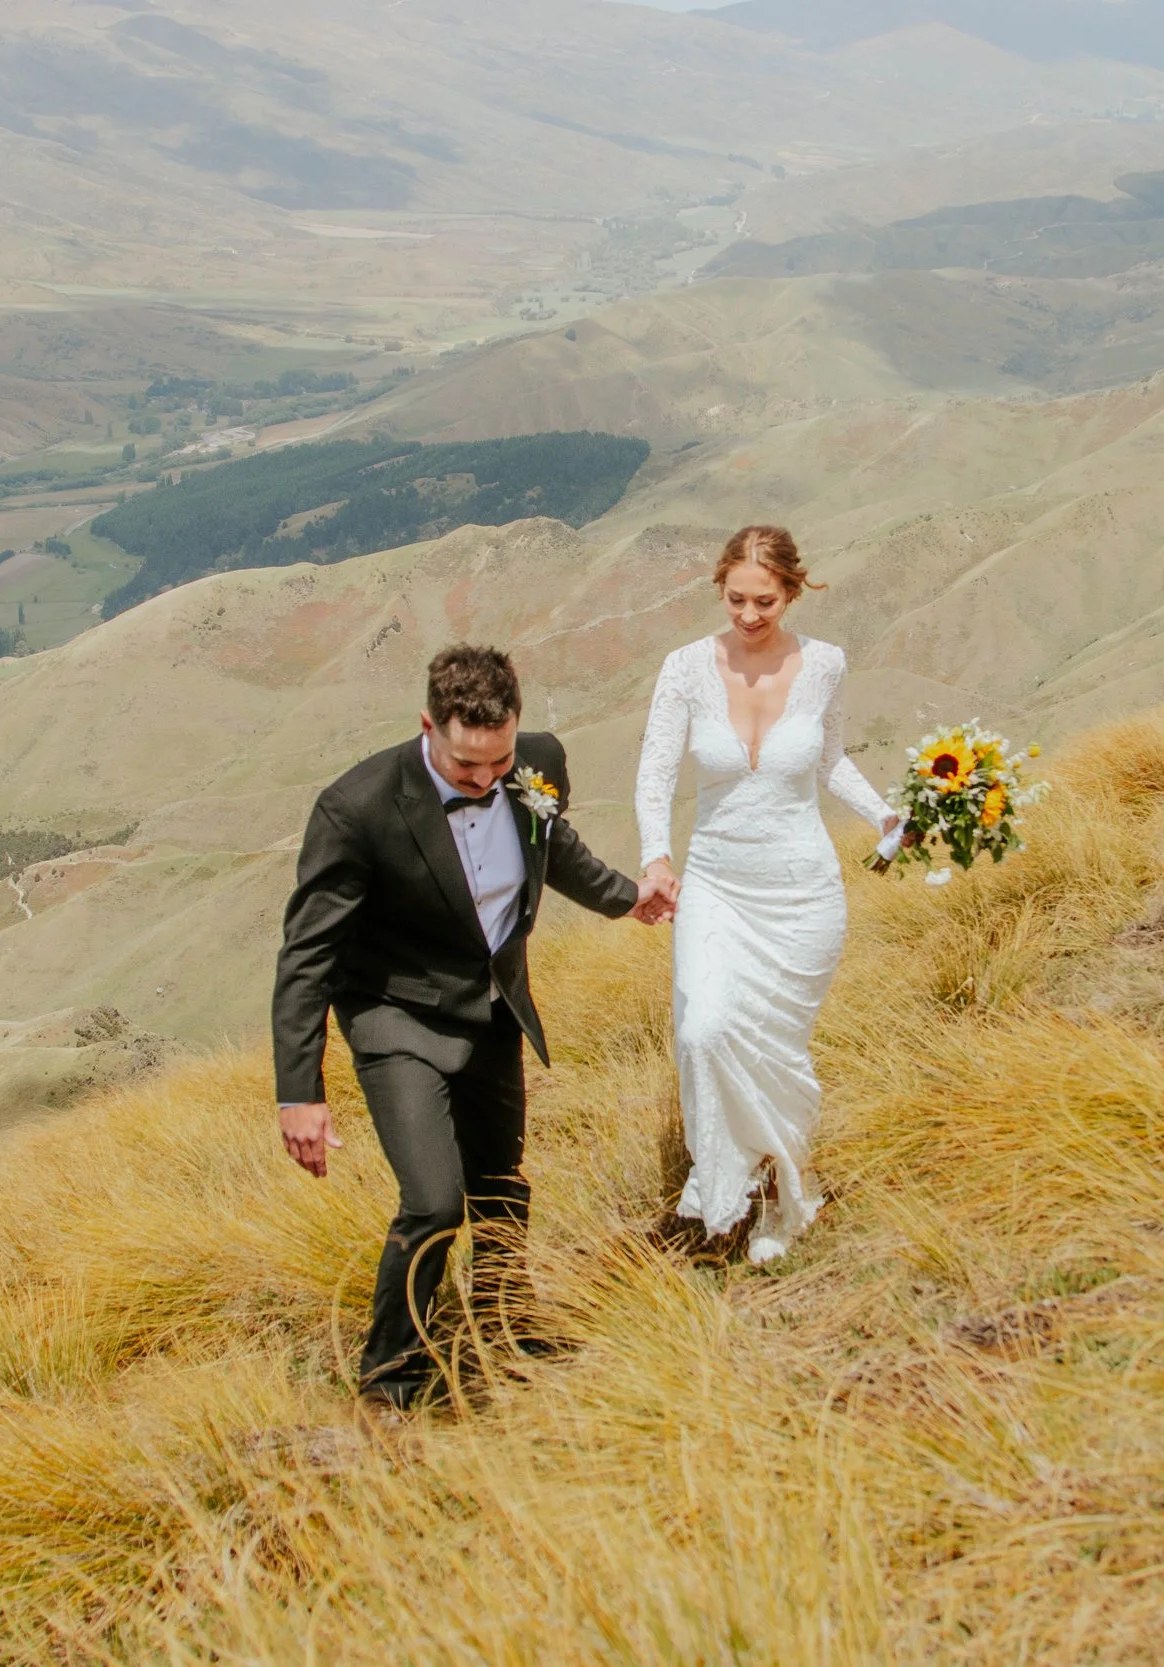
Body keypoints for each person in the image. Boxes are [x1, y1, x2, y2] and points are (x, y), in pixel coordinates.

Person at [274, 644, 678, 1411]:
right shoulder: (354, 807)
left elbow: (553, 848)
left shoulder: (538, 761)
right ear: (429, 724)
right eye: (467, 766)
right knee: (433, 1201)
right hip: (396, 1015)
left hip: (494, 1006)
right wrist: (299, 1089)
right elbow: (307, 955)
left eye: (499, 763)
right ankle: (390, 1378)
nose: (487, 778)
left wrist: (628, 897)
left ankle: (504, 1320)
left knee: (500, 1184)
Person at [635, 527, 899, 1264]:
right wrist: (655, 854)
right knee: (704, 1029)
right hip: (716, 881)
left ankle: (777, 1187)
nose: (750, 614)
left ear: (793, 589)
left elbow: (832, 759)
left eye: (766, 600)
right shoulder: (685, 668)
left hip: (802, 890)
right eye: (736, 599)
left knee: (776, 1048)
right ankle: (722, 1179)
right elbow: (656, 770)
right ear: (720, 587)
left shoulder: (825, 666)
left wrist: (882, 813)